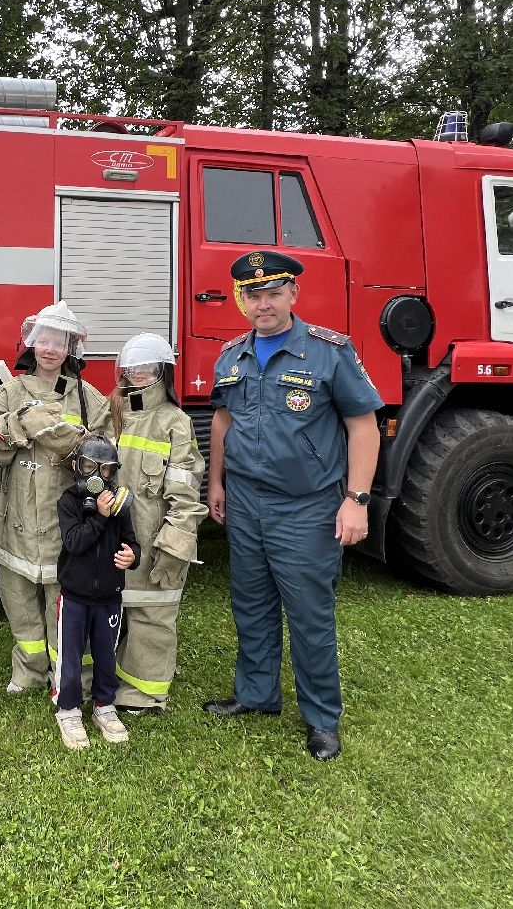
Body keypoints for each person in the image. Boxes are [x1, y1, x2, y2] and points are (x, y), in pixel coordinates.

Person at [203, 250, 381, 761]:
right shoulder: (232, 355)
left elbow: (362, 426)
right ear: (242, 300)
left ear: (293, 295)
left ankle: (322, 718)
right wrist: (216, 484)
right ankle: (257, 695)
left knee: (308, 614)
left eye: (272, 293)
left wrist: (357, 500)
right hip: (244, 501)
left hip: (306, 507)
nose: (262, 304)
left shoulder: (329, 351)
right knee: (251, 605)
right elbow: (222, 422)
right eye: (252, 295)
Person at [0, 302, 109, 694]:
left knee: (64, 600)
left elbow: (104, 453)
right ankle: (29, 671)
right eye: (43, 341)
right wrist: (19, 422)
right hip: (15, 516)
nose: (49, 349)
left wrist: (71, 443)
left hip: (63, 521)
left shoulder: (87, 397)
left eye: (58, 342)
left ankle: (68, 673)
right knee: (16, 596)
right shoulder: (10, 390)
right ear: (31, 344)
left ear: (71, 348)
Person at [109, 334, 208, 714]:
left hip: (151, 539)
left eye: (147, 367)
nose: (138, 374)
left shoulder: (175, 423)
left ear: (163, 372)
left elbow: (185, 494)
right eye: (132, 367)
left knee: (152, 613)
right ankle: (107, 678)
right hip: (110, 537)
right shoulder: (113, 410)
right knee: (109, 608)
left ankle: (145, 694)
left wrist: (176, 544)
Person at [54, 436, 140, 749]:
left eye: (105, 470)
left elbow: (133, 543)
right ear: (77, 466)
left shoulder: (121, 505)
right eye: (89, 467)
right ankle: (68, 709)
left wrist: (132, 557)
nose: (97, 477)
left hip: (109, 598)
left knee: (106, 654)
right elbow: (74, 542)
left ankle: (105, 705)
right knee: (71, 656)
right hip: (74, 596)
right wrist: (100, 518)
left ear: (113, 472)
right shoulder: (69, 501)